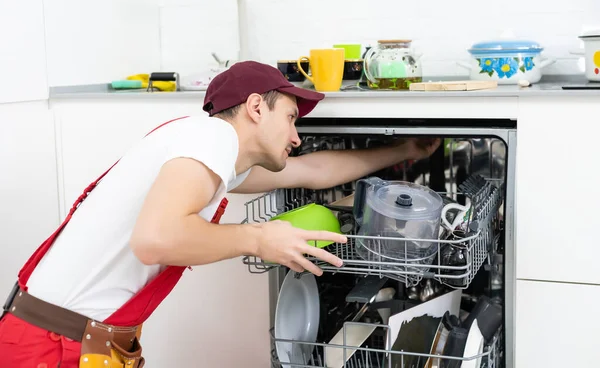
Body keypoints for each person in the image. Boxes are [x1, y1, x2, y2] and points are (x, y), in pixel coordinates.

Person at [0, 61, 440, 368]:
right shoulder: (210, 137)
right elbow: (155, 239)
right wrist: (257, 237)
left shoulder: (208, 155)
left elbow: (315, 171)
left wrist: (404, 150)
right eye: (290, 117)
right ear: (254, 107)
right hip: (51, 346)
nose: (296, 136)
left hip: (76, 340)